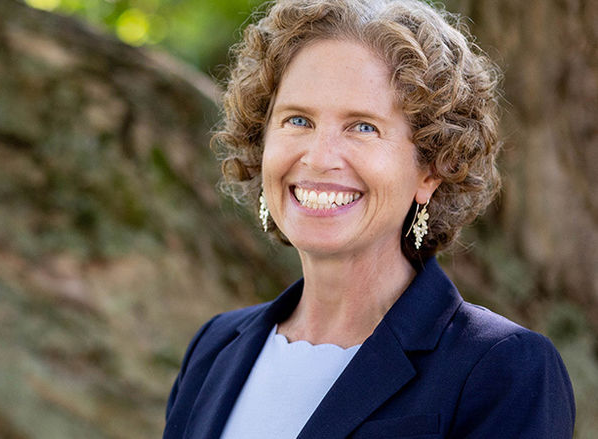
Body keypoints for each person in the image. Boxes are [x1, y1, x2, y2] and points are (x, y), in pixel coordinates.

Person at [162, 0, 576, 438]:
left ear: (432, 169)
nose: (319, 158)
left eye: (363, 127)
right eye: (298, 120)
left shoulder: (502, 368)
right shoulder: (214, 349)